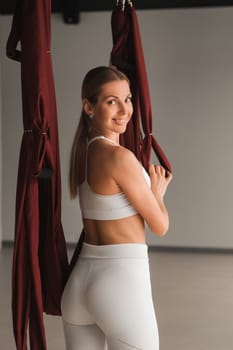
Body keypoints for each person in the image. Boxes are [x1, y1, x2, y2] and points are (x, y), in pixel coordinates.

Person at [61, 65, 172, 350]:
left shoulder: (83, 153)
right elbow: (160, 226)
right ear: (89, 107)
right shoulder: (119, 158)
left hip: (78, 289)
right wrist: (157, 193)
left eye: (128, 99)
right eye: (112, 101)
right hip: (120, 286)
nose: (125, 110)